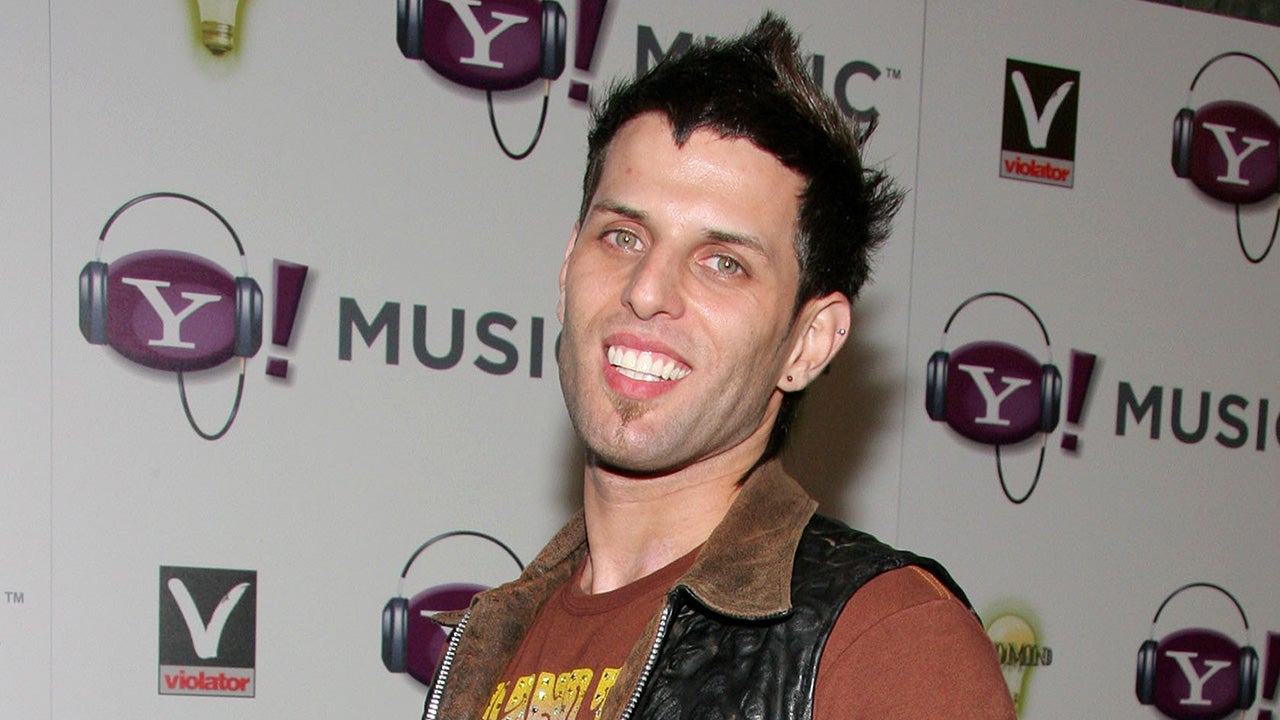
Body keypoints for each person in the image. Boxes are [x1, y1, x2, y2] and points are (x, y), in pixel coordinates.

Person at [423, 13, 1016, 720]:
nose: (647, 290)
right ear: (565, 269)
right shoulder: (497, 635)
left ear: (808, 343)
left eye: (723, 262)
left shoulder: (887, 640)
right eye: (623, 236)